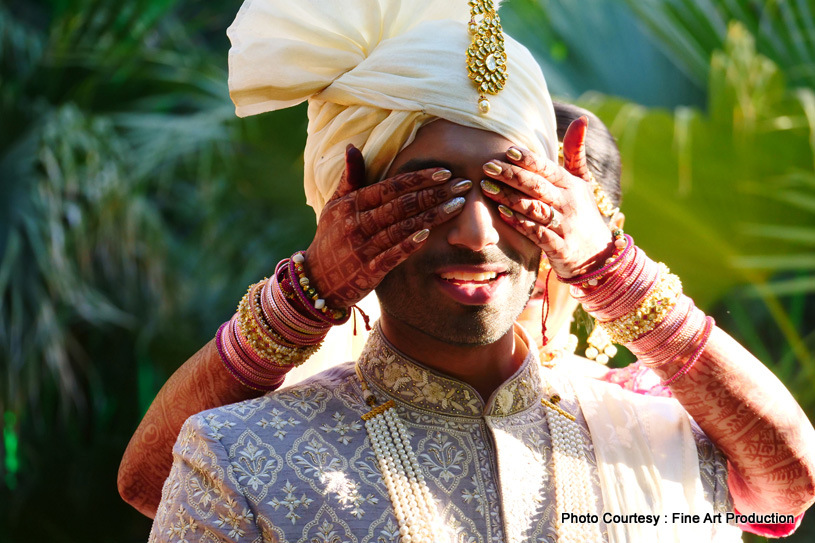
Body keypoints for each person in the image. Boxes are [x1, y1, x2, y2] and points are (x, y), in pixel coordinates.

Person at [142, 1, 815, 542]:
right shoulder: (242, 455)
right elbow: (149, 481)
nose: (475, 233)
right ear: (347, 206)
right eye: (428, 193)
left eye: (509, 191)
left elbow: (788, 486)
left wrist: (611, 268)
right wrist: (312, 287)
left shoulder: (654, 432)